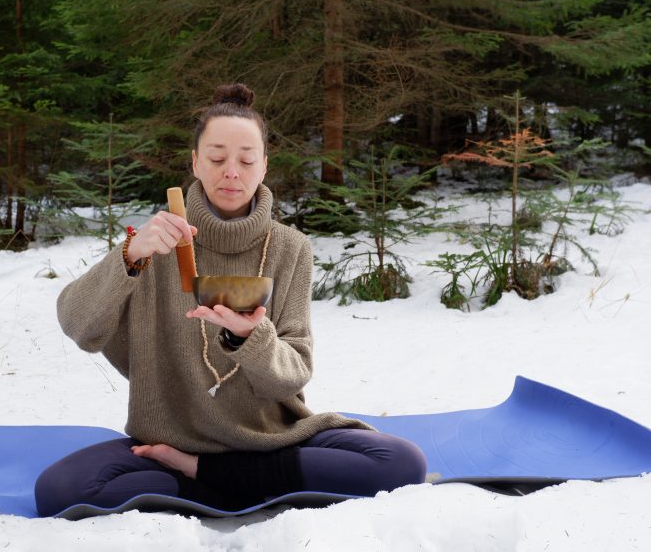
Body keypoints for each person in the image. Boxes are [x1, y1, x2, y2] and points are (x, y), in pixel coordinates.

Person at [34, 83, 426, 517]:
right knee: (60, 489)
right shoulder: (155, 241)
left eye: (245, 160)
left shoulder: (290, 248)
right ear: (196, 162)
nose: (231, 172)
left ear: (263, 166)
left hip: (270, 437)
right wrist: (130, 254)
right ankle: (245, 481)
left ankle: (203, 477)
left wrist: (252, 338)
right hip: (169, 439)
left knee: (403, 463)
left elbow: (292, 376)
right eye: (218, 158)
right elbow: (79, 326)